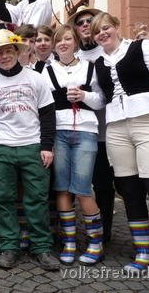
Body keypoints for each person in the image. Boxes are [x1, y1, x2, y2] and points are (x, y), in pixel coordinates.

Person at [90, 13, 149, 292]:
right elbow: (100, 99)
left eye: (106, 27)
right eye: (97, 32)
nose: (102, 33)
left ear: (117, 27)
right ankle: (144, 252)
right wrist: (83, 96)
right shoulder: (98, 64)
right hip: (117, 128)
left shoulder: (142, 47)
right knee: (129, 191)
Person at [0, 29, 59, 271]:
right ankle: (9, 247)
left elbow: (47, 115)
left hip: (32, 147)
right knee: (3, 200)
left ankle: (42, 248)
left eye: (8, 51)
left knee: (37, 199)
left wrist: (46, 146)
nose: (4, 56)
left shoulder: (35, 79)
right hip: (1, 148)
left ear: (16, 52)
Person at [42, 25, 105, 266]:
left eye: (68, 38)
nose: (63, 43)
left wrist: (85, 96)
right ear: (55, 46)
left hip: (86, 131)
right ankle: (69, 242)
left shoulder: (90, 68)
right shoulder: (47, 71)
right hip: (59, 131)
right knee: (62, 189)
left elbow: (101, 100)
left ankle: (95, 243)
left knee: (83, 188)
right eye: (59, 40)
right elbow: (43, 107)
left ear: (75, 42)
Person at [68, 6, 115, 243]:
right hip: (83, 132)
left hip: (110, 130)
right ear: (75, 29)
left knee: (106, 184)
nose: (85, 24)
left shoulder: (108, 51)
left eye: (90, 20)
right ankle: (79, 229)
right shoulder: (72, 56)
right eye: (80, 22)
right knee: (80, 183)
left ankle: (104, 232)